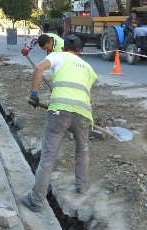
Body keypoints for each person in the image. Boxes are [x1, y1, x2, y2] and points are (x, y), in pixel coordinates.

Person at [21, 35, 98, 212]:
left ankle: (36, 201)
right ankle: (81, 185)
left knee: (48, 158)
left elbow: (39, 69)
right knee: (82, 149)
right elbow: (86, 90)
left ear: (63, 48)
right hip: (83, 113)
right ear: (81, 51)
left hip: (58, 112)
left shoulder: (57, 56)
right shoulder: (88, 67)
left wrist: (34, 94)